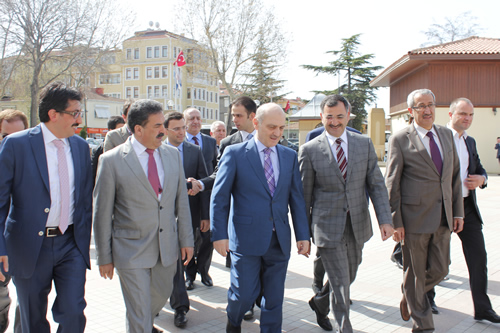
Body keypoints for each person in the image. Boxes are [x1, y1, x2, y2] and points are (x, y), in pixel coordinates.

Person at [93, 99, 194, 333]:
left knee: (146, 309)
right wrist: (104, 256)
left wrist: (186, 239)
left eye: (163, 125)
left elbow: (181, 201)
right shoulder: (111, 161)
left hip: (166, 251)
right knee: (139, 311)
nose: (163, 131)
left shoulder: (171, 155)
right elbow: (102, 213)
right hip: (130, 251)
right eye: (157, 126)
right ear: (138, 129)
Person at [0, 82, 93, 333]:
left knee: (74, 312)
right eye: (74, 113)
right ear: (54, 114)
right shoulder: (16, 145)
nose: (79, 119)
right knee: (32, 317)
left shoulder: (81, 147)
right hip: (29, 246)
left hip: (70, 244)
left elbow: (85, 200)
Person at [211, 103, 310, 333]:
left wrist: (303, 235)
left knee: (274, 300)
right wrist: (219, 235)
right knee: (244, 294)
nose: (277, 133)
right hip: (245, 240)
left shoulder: (288, 156)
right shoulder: (235, 154)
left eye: (282, 128)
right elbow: (220, 197)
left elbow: (296, 199)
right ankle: (233, 321)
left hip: (279, 240)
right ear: (255, 123)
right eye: (272, 127)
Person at [299, 94, 393, 332]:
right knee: (341, 282)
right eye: (329, 117)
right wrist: (303, 235)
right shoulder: (309, 150)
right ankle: (345, 327)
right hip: (326, 225)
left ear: (348, 116)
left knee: (349, 273)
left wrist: (385, 219)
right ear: (321, 117)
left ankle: (319, 303)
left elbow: (376, 185)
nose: (334, 122)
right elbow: (304, 197)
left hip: (357, 222)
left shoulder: (364, 144)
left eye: (339, 116)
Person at [385, 89, 464, 333]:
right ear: (411, 111)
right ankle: (423, 326)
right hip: (413, 220)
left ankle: (410, 294)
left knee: (441, 269)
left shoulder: (446, 135)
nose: (427, 110)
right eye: (421, 106)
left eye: (430, 104)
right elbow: (392, 183)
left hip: (444, 218)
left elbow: (454, 176)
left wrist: (458, 212)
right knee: (415, 272)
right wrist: (395, 221)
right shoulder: (400, 139)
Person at [441, 98, 499, 323]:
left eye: (471, 115)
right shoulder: (438, 138)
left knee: (478, 258)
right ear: (451, 114)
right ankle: (428, 299)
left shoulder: (470, 141)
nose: (467, 118)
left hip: (468, 208)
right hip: (442, 208)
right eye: (463, 113)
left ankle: (483, 309)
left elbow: (479, 167)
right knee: (435, 260)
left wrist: (482, 179)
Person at [164, 111, 210, 328]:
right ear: (165, 130)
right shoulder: (156, 151)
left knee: (179, 260)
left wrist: (205, 216)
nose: (182, 132)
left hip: (188, 215)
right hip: (161, 217)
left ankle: (180, 307)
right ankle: (160, 301)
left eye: (183, 127)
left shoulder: (194, 150)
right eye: (177, 128)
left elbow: (203, 182)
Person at [183, 107, 217, 289]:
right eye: (191, 118)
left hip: (206, 197)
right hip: (187, 199)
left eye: (198, 118)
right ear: (184, 121)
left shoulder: (210, 143)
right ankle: (189, 274)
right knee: (188, 238)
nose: (195, 121)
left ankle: (204, 271)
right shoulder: (177, 143)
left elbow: (213, 171)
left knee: (206, 238)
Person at [0, 109, 28, 333]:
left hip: (26, 248)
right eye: (5, 136)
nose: (12, 142)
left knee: (27, 306)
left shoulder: (34, 164)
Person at [91, 115, 125, 184]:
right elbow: (94, 174)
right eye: (119, 129)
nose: (122, 133)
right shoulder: (99, 150)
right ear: (111, 131)